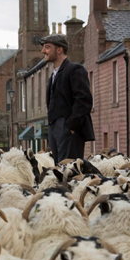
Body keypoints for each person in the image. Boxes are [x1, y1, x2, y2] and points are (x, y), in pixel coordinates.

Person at [39, 33, 95, 163]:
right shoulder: (53, 75)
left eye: (47, 47)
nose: (43, 51)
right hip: (55, 128)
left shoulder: (75, 69)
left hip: (68, 129)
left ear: (59, 50)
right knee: (59, 170)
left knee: (70, 171)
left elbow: (84, 100)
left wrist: (71, 126)